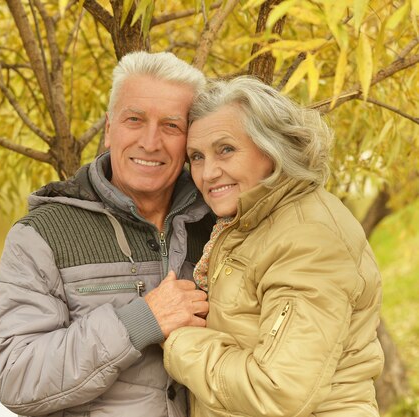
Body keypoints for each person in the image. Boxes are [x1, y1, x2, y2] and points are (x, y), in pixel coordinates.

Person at [0, 51, 215, 417]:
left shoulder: (222, 225)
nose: (151, 142)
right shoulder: (42, 235)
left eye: (172, 126)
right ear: (109, 129)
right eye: (135, 120)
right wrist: (141, 321)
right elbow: (17, 376)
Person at [162, 76, 385, 416]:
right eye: (197, 157)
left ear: (271, 149)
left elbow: (277, 390)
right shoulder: (252, 222)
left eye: (226, 149)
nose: (208, 173)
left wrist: (179, 341)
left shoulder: (308, 238)